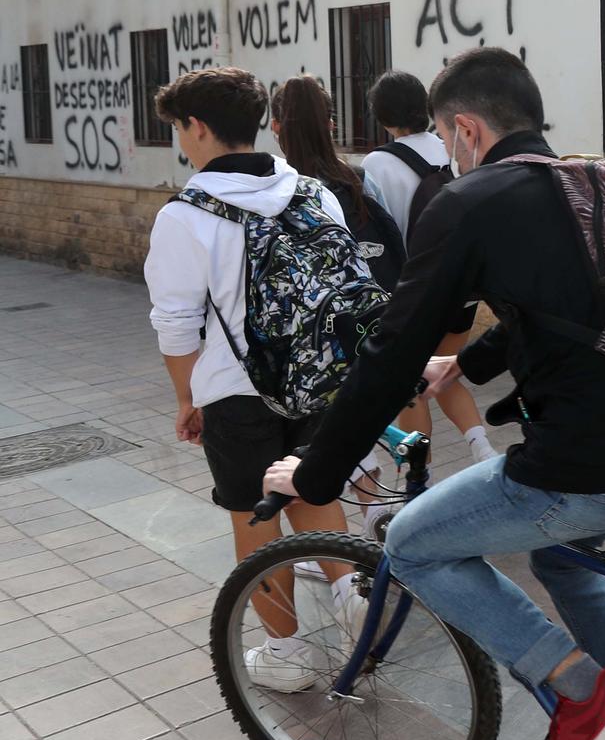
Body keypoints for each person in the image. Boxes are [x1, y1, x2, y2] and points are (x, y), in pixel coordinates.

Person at [260, 47, 605, 740]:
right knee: (565, 558)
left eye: (447, 138)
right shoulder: (590, 180)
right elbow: (570, 311)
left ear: (467, 129)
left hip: (592, 466)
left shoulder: (470, 204)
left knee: (410, 543)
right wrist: (465, 365)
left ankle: (583, 691)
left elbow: (387, 355)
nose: (447, 152)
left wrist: (313, 471)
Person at [143, 68, 360, 691]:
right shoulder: (312, 192)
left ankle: (288, 654)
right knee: (316, 496)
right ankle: (356, 610)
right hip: (317, 378)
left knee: (255, 517)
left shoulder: (184, 215)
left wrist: (187, 398)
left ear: (200, 128)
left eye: (181, 128)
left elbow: (177, 324)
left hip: (236, 394)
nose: (182, 141)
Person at [268, 76, 402, 542]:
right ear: (330, 124)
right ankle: (375, 516)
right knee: (352, 425)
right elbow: (391, 252)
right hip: (360, 329)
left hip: (300, 347)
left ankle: (323, 552)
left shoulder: (274, 193)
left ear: (275, 126)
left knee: (304, 446)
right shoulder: (355, 181)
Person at [359, 71, 497, 468]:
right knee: (444, 370)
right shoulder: (449, 148)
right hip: (461, 290)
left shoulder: (377, 163)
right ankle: (482, 447)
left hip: (414, 293)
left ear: (382, 116)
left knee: (410, 386)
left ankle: (417, 481)